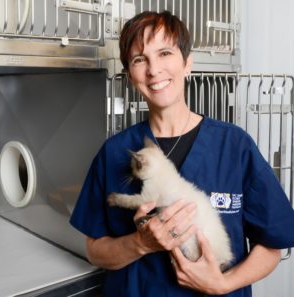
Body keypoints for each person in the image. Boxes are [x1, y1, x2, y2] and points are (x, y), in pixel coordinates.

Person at [70, 10, 294, 297]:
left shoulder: (234, 146)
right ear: (130, 75)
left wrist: (223, 283)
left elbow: (273, 245)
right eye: (140, 59)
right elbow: (95, 250)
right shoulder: (113, 153)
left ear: (188, 63)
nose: (154, 70)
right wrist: (141, 243)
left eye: (165, 53)